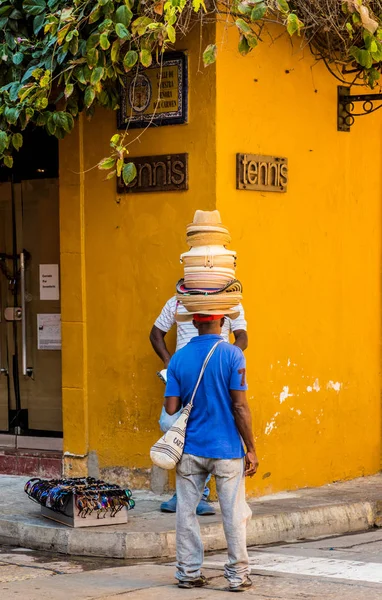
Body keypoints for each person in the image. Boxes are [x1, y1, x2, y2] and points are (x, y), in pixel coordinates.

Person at [164, 313, 258, 591]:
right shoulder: (233, 355)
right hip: (226, 448)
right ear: (223, 324)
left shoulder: (178, 358)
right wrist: (251, 448)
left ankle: (188, 572)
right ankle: (238, 576)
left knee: (186, 512)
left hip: (190, 448)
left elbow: (171, 408)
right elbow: (240, 407)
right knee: (233, 513)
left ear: (194, 323)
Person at [150, 297, 248, 515]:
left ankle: (198, 492)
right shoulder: (177, 302)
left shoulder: (232, 302)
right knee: (169, 421)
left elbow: (242, 337)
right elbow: (156, 333)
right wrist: (169, 361)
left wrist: (227, 358)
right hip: (185, 371)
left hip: (215, 373)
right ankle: (190, 489)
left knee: (209, 424)